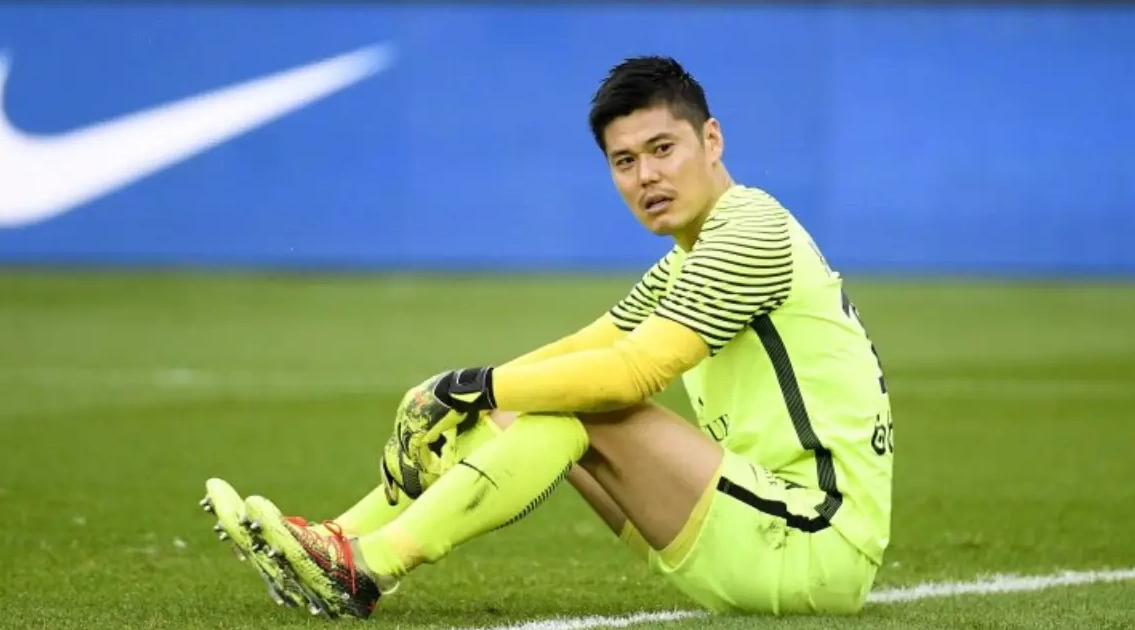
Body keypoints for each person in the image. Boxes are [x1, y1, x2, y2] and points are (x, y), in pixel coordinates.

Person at [201, 54, 893, 620]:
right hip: (751, 529)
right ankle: (339, 540)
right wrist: (453, 400)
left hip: (813, 541)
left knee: (585, 404)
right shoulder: (686, 259)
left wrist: (467, 387)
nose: (647, 176)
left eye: (663, 149)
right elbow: (585, 349)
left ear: (711, 140)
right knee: (537, 399)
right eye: (625, 161)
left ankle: (368, 566)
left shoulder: (749, 230)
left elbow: (630, 373)